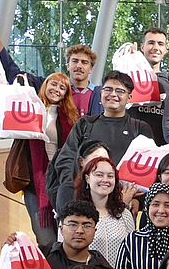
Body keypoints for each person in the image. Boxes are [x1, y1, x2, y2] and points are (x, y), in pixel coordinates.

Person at [53, 71, 153, 210]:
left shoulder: (140, 128)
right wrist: (74, 189)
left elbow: (147, 169)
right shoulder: (85, 124)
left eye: (119, 91)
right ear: (100, 93)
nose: (113, 94)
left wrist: (138, 199)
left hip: (123, 201)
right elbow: (66, 158)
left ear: (129, 97)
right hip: (85, 199)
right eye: (108, 89)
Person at [18, 72, 79, 248]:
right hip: (35, 184)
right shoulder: (30, 110)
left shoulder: (70, 118)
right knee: (45, 240)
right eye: (53, 84)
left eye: (62, 88)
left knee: (66, 236)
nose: (56, 90)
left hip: (62, 181)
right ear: (45, 85)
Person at [0, 24, 98, 115]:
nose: (79, 66)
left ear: (90, 69)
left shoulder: (100, 95)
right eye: (75, 61)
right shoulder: (50, 87)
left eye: (84, 62)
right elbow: (14, 74)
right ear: (68, 66)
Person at [74, 156, 136, 269]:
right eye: (99, 175)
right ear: (87, 178)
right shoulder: (74, 215)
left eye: (110, 176)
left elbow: (133, 252)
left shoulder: (125, 215)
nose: (105, 180)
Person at [128, 27, 169, 144]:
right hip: (131, 147)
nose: (155, 48)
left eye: (160, 44)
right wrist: (130, 62)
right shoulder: (128, 78)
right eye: (151, 43)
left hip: (161, 149)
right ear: (142, 47)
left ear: (165, 49)